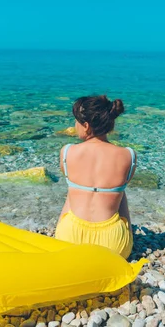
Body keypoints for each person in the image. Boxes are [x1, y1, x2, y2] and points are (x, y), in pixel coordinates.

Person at [55, 95, 136, 259]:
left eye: (76, 121)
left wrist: (59, 232)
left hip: (70, 240)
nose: (74, 125)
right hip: (113, 246)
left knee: (74, 189)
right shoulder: (128, 155)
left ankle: (61, 237)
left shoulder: (67, 152)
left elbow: (70, 199)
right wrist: (128, 234)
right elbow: (122, 204)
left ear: (86, 126)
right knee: (119, 191)